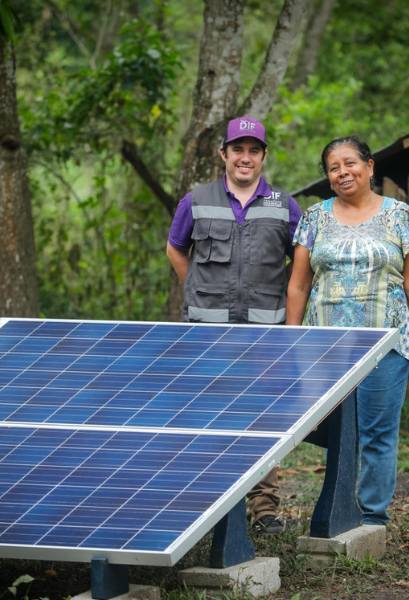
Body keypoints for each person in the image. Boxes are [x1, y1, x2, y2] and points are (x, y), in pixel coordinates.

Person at [285, 136, 409, 525]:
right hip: (324, 345)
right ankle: (337, 512)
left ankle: (372, 516)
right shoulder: (314, 218)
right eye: (334, 167)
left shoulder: (399, 215)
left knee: (377, 431)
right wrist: (290, 340)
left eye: (350, 163)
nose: (343, 172)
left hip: (387, 342)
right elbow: (298, 285)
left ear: (370, 167)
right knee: (332, 431)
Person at [166, 115, 301, 535]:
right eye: (237, 149)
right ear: (223, 153)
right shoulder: (197, 199)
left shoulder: (285, 205)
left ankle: (264, 509)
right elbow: (175, 249)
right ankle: (209, 507)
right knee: (209, 418)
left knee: (263, 419)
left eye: (253, 150)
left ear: (262, 157)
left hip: (266, 333)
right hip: (208, 333)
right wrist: (198, 293)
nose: (245, 158)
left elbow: (302, 260)